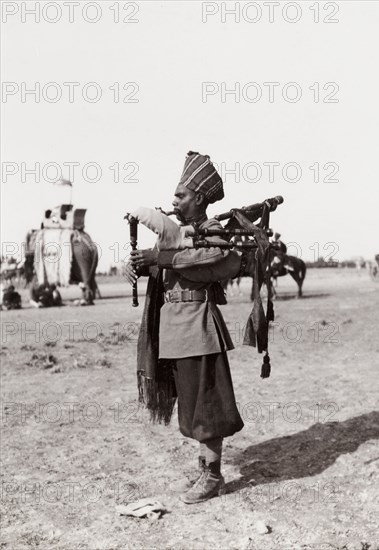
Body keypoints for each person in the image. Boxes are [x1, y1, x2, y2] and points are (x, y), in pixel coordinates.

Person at [125, 151, 244, 504]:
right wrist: (138, 266)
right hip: (174, 332)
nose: (174, 200)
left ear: (200, 199)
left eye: (182, 195)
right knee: (191, 406)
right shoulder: (178, 235)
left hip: (200, 328)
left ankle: (213, 475)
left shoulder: (213, 232)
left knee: (207, 405)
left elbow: (216, 258)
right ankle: (205, 468)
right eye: (175, 195)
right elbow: (170, 264)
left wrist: (158, 258)